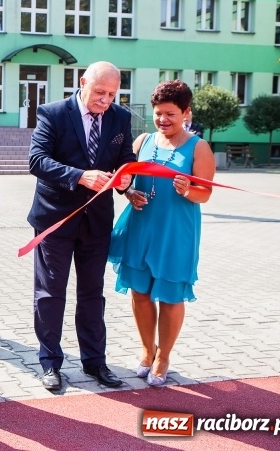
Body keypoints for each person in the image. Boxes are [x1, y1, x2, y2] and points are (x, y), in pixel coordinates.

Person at [27, 61, 134, 391]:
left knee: (92, 293)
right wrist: (79, 176)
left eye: (112, 95)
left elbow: (125, 157)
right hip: (55, 218)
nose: (105, 101)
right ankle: (50, 363)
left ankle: (95, 362)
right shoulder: (53, 113)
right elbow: (37, 160)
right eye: (100, 92)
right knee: (50, 293)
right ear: (83, 82)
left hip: (97, 222)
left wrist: (126, 179)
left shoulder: (120, 117)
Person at [108, 80, 214, 387]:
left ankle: (164, 356)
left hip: (176, 232)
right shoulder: (143, 142)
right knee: (140, 293)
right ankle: (146, 349)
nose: (163, 120)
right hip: (141, 226)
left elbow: (205, 194)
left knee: (169, 295)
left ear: (186, 113)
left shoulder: (199, 147)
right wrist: (129, 194)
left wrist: (188, 189)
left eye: (170, 113)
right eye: (158, 113)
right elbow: (126, 180)